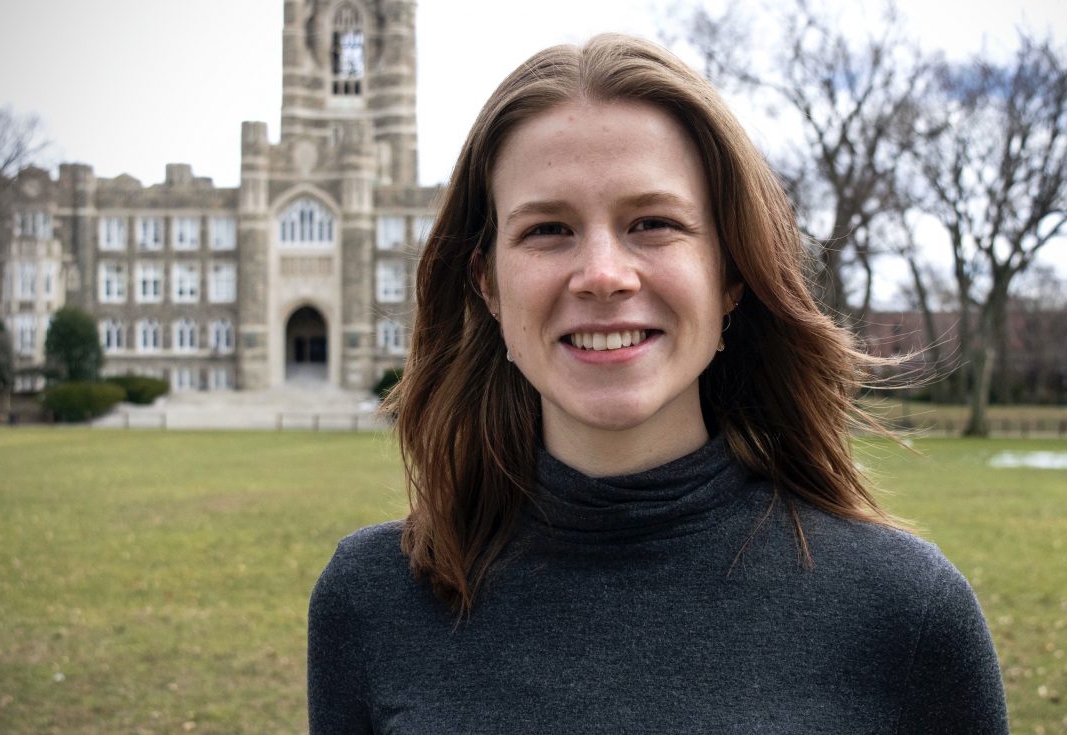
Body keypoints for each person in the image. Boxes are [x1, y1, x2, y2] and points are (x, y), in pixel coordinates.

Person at [308, 34, 1008, 733]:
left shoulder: (904, 610)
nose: (604, 274)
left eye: (653, 223)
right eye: (549, 229)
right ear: (487, 283)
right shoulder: (373, 601)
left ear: (731, 270)